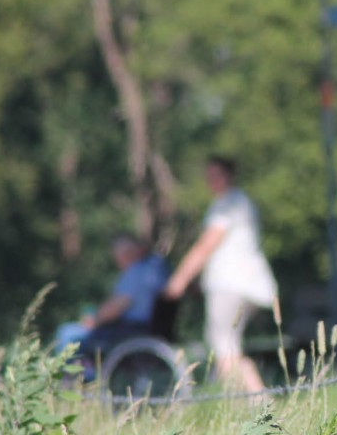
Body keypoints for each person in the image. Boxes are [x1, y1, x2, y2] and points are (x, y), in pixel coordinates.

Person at [163, 156, 277, 395]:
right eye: (209, 175)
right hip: (243, 284)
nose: (212, 180)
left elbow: (207, 245)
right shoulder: (235, 202)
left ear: (230, 175)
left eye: (217, 174)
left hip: (232, 285)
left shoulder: (229, 205)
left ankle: (256, 402)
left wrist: (179, 280)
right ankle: (249, 401)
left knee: (224, 346)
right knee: (229, 346)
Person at [55, 233, 170, 367]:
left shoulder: (136, 272)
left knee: (68, 333)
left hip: (132, 331)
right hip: (150, 329)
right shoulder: (158, 267)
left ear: (132, 252)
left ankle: (72, 377)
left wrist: (94, 320)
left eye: (120, 254)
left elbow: (118, 306)